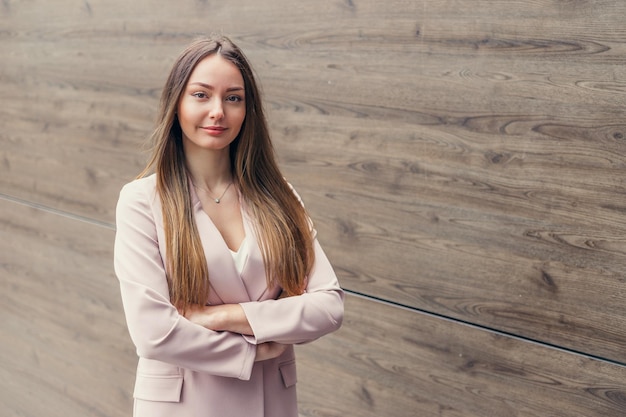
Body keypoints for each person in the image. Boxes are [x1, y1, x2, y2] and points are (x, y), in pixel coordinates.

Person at [113, 35, 344, 417]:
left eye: (233, 97)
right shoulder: (142, 201)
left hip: (273, 401)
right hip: (183, 405)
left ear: (247, 109)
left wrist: (221, 316)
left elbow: (328, 306)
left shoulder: (278, 195)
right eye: (201, 95)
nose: (218, 111)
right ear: (176, 103)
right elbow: (154, 332)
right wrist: (252, 350)